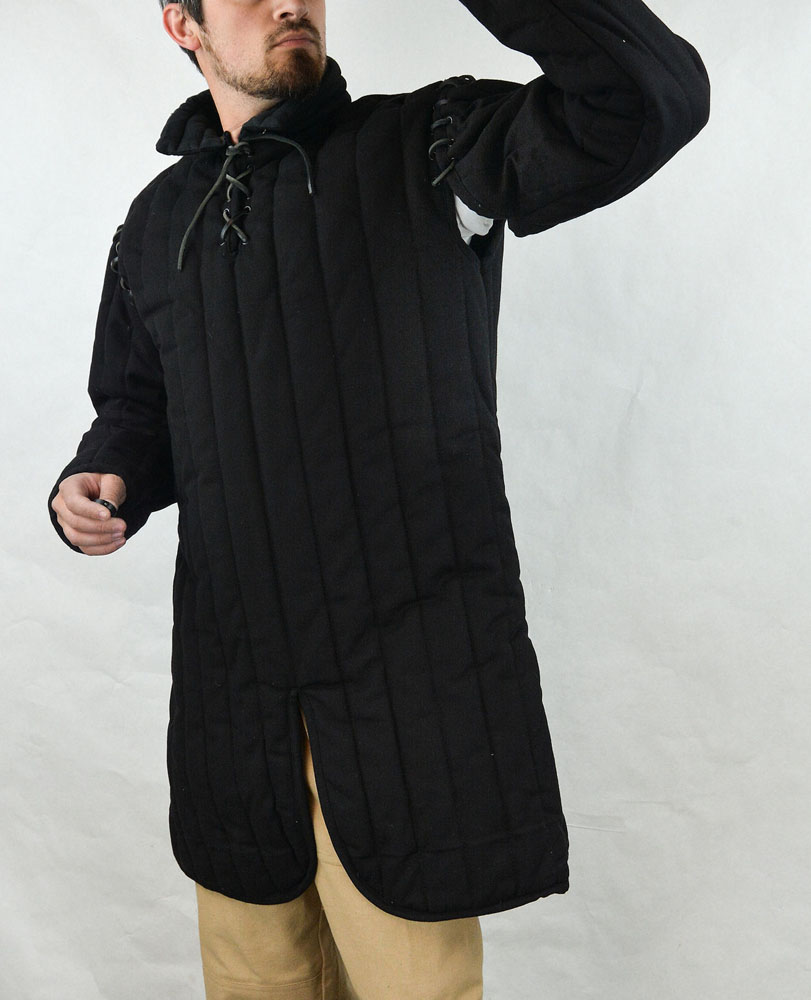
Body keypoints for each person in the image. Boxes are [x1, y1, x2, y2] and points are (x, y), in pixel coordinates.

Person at [48, 0, 710, 997]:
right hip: (236, 716)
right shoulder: (154, 224)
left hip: (406, 711)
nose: (290, 3)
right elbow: (140, 402)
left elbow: (644, 100)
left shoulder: (433, 146)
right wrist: (105, 476)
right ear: (183, 25)